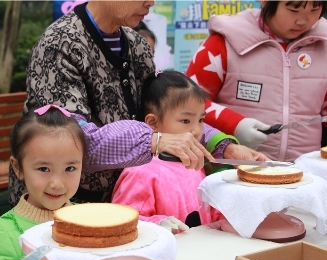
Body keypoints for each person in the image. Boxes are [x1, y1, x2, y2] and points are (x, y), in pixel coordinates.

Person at [10, 0, 265, 206]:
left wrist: (224, 148)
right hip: (59, 202)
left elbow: (166, 115)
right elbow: (68, 141)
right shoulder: (59, 45)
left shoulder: (137, 45)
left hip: (127, 200)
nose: (151, 3)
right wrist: (153, 140)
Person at [112, 70, 269, 230]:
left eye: (200, 120)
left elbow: (208, 211)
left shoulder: (194, 161)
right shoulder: (140, 171)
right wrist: (158, 225)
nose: (197, 130)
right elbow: (124, 219)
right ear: (153, 123)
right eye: (186, 120)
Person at [186, 0, 327, 161]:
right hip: (234, 169)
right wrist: (234, 124)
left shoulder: (324, 44)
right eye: (293, 10)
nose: (303, 20)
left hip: (305, 174)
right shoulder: (224, 42)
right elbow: (186, 102)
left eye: (315, 9)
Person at [0, 105, 87, 260]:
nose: (57, 183)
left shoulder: (89, 222)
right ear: (18, 168)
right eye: (43, 169)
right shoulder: (1, 235)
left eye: (70, 169)